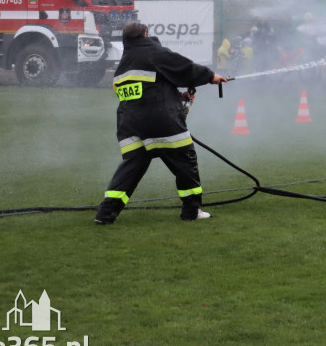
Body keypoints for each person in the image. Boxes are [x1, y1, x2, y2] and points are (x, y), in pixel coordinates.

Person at [95, 21, 229, 224]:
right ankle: (191, 211)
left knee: (131, 169)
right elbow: (182, 67)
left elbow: (145, 91)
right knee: (185, 160)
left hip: (130, 125)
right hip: (161, 122)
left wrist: (178, 97)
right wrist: (211, 77)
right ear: (145, 34)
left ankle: (106, 213)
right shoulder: (152, 52)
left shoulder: (124, 63)